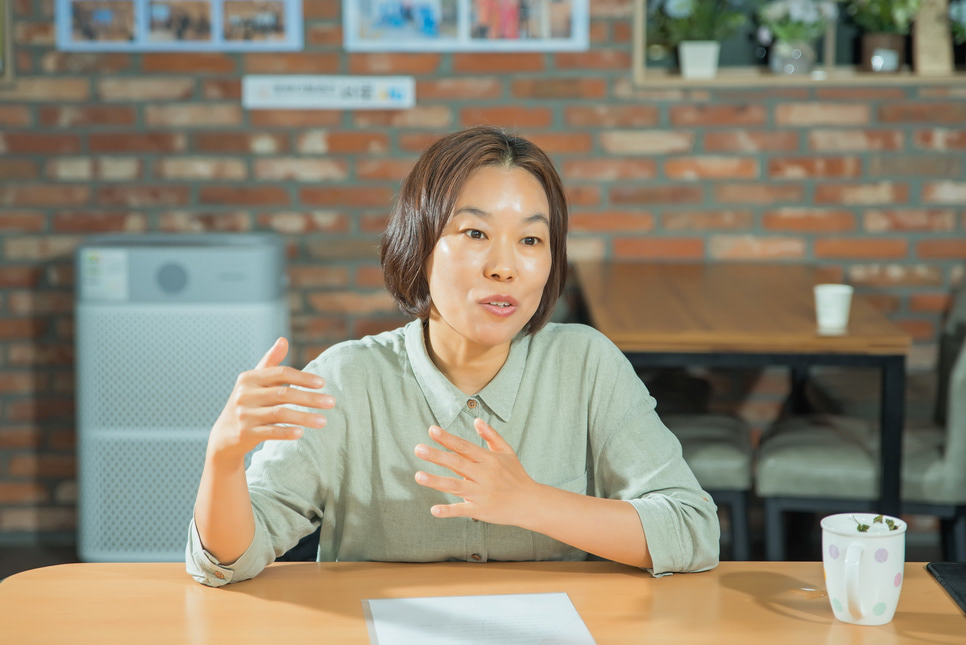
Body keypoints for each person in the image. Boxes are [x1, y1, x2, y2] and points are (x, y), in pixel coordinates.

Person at [187, 126, 720, 587]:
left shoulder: (586, 365)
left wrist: (531, 503)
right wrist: (223, 459)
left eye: (531, 240)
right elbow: (229, 561)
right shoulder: (346, 379)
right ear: (419, 245)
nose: (504, 267)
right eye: (475, 233)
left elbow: (692, 530)